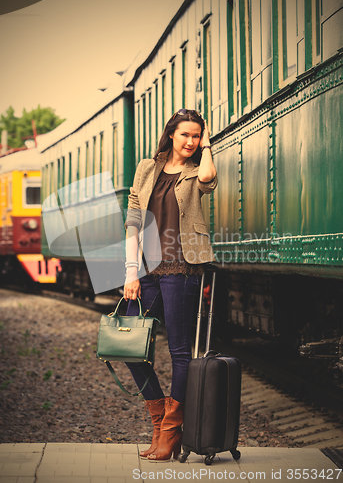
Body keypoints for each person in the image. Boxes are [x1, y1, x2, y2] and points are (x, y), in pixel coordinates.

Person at [124, 109, 217, 461]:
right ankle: (160, 416)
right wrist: (130, 271)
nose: (191, 142)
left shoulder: (198, 170)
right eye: (186, 135)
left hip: (183, 267)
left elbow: (209, 179)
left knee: (179, 351)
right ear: (171, 135)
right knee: (130, 347)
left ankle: (171, 430)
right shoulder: (148, 168)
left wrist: (208, 145)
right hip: (146, 269)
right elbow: (133, 221)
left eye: (197, 136)